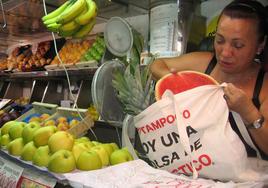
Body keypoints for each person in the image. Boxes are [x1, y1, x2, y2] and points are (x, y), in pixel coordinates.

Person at [150, 0, 268, 159]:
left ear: (260, 45)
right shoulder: (205, 63)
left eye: (238, 45)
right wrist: (173, 79)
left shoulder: (264, 86)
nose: (225, 53)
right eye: (219, 40)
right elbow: (156, 64)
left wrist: (248, 111)